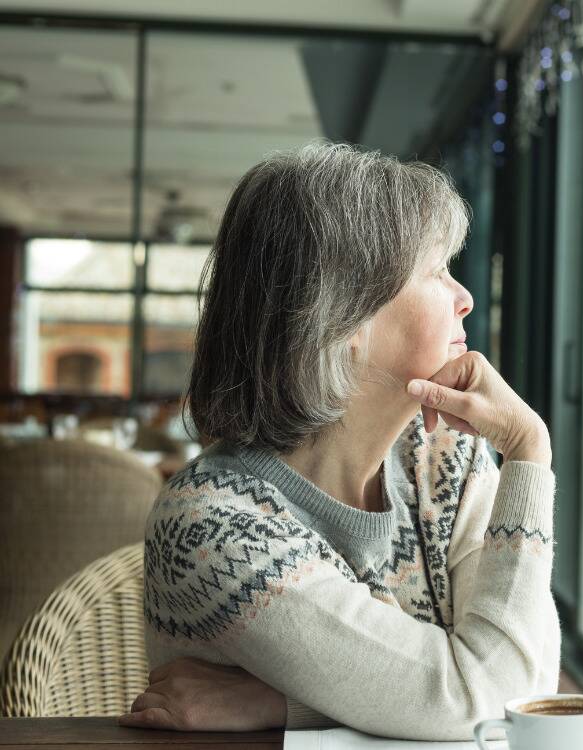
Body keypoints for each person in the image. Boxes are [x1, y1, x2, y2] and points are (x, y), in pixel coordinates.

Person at [118, 142, 559, 740]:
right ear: (342, 318)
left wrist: (283, 705)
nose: (466, 298)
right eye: (436, 272)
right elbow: (491, 697)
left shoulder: (442, 458)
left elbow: (527, 679)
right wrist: (529, 452)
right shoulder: (213, 527)